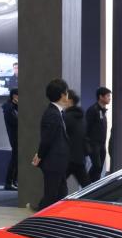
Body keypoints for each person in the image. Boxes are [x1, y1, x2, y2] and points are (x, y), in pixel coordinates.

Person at [32, 78, 71, 209]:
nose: (68, 95)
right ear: (62, 95)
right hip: (53, 162)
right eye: (66, 92)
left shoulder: (57, 112)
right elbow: (47, 139)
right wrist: (40, 155)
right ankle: (38, 218)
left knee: (61, 194)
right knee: (51, 196)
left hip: (57, 162)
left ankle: (49, 218)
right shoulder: (53, 114)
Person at [63, 89, 89, 190]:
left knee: (55, 186)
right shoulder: (81, 117)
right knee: (87, 187)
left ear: (70, 101)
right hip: (79, 158)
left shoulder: (66, 117)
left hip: (67, 159)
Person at [85, 87, 112, 180]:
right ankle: (87, 184)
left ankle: (93, 186)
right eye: (108, 96)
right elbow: (86, 127)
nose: (110, 98)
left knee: (99, 169)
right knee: (97, 166)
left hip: (102, 145)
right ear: (101, 97)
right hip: (93, 144)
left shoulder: (103, 111)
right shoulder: (93, 110)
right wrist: (87, 145)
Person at [2, 88, 18, 190]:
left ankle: (13, 181)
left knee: (17, 159)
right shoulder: (9, 108)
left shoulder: (14, 107)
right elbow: (17, 121)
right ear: (14, 96)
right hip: (14, 136)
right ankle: (9, 182)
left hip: (17, 136)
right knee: (15, 159)